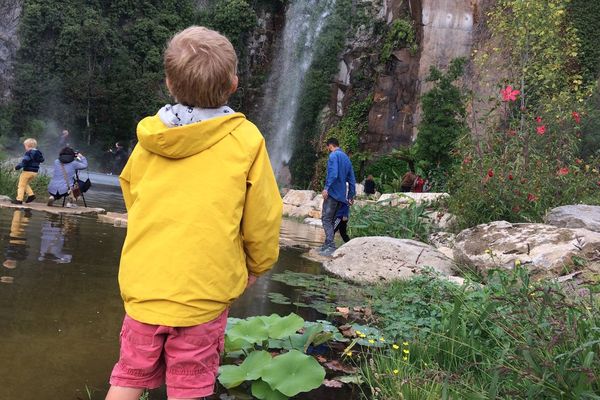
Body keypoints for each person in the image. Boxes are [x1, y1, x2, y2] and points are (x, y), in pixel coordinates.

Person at [105, 26, 282, 400]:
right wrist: (257, 265)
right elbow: (263, 216)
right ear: (233, 84)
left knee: (129, 376)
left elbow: (132, 193)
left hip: (145, 285)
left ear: (169, 82)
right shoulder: (246, 140)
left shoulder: (151, 139)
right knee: (190, 385)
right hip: (204, 292)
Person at [320, 137, 356, 257]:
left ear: (330, 146)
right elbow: (351, 179)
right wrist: (351, 195)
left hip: (333, 194)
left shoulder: (333, 156)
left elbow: (333, 173)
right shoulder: (346, 158)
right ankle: (327, 243)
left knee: (326, 219)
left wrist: (326, 188)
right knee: (331, 220)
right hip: (342, 197)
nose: (328, 150)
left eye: (328, 148)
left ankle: (330, 244)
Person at [12, 138, 44, 204]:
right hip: (34, 172)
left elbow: (25, 162)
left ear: (28, 146)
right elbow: (42, 160)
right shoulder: (38, 153)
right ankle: (31, 195)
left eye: (25, 146)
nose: (25, 148)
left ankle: (19, 200)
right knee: (25, 184)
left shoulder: (29, 153)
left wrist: (17, 167)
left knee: (21, 185)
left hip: (27, 171)